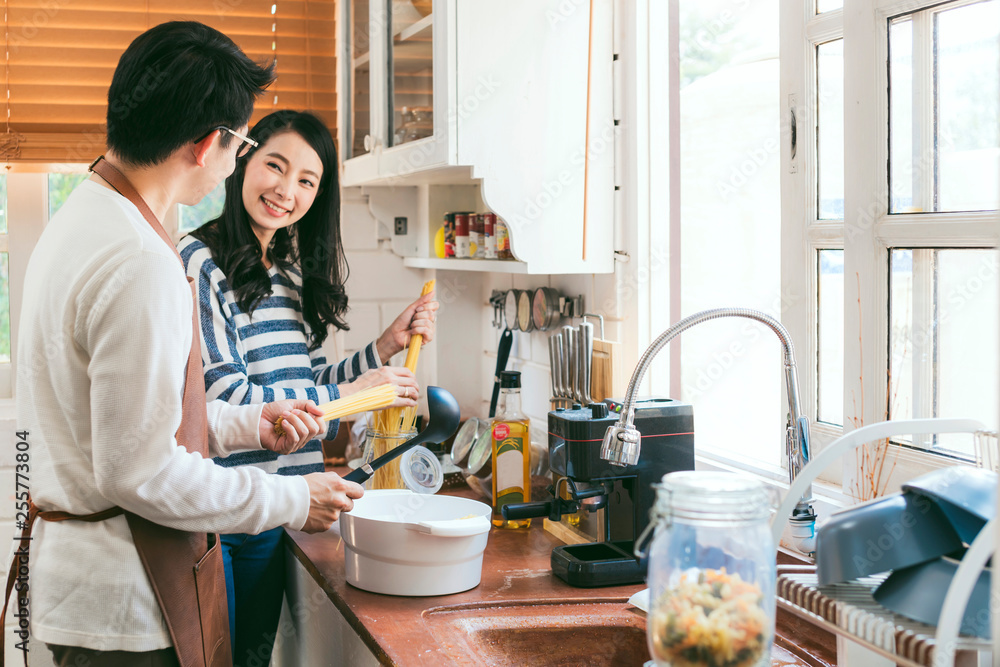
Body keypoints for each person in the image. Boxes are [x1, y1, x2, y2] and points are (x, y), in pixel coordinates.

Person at [6, 22, 364, 667]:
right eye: (246, 145)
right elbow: (142, 471)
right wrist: (291, 498)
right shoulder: (141, 260)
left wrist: (252, 422)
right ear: (209, 146)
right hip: (124, 606)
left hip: (89, 593)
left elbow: (135, 413)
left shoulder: (84, 220)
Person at [177, 109, 438, 666]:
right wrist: (359, 394)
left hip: (284, 513)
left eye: (306, 180)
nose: (285, 190)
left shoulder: (288, 273)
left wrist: (383, 349)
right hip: (230, 511)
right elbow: (227, 398)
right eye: (275, 165)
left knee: (251, 660)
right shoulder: (199, 262)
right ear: (243, 160)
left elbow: (305, 386)